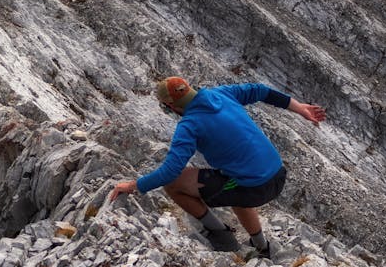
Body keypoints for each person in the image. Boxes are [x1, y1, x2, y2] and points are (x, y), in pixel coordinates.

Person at [109, 76, 326, 257]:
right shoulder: (221, 93)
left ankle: (221, 235)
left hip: (254, 188)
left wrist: (134, 185)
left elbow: (170, 171)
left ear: (171, 106)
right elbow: (260, 90)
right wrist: (299, 108)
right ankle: (262, 247)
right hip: (277, 174)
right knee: (233, 181)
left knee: (175, 184)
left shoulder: (189, 125)